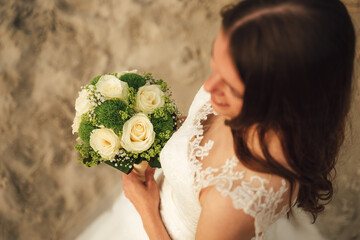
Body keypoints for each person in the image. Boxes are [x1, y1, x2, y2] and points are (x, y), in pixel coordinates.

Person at [76, 0, 355, 239]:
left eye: (231, 88)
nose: (209, 87)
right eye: (215, 65)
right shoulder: (247, 80)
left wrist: (145, 206)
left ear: (283, 102)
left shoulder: (235, 198)